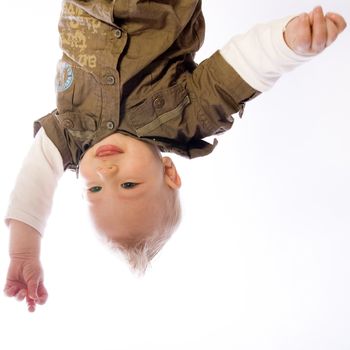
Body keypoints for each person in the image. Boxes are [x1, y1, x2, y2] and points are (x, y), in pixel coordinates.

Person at [3, 1, 347, 312]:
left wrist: (24, 251)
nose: (106, 171)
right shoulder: (185, 118)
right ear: (169, 172)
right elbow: (235, 72)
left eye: (95, 190)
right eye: (127, 183)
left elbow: (36, 178)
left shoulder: (69, 135)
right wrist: (288, 44)